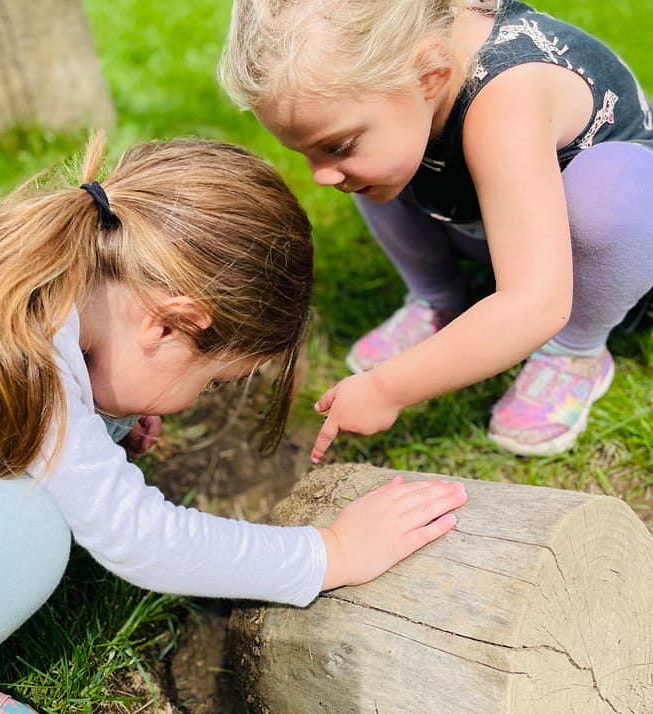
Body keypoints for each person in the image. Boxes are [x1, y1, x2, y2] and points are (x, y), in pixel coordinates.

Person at [0, 134, 467, 714]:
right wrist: (332, 554)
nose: (196, 399)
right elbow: (146, 541)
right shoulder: (38, 369)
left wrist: (106, 421)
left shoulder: (29, 280)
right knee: (15, 534)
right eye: (213, 381)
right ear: (169, 326)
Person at [218, 0, 653, 461]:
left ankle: (574, 351)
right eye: (306, 154)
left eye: (337, 145)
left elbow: (537, 303)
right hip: (497, 218)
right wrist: (349, 155)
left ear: (430, 74)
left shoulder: (507, 98)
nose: (320, 176)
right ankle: (440, 299)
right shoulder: (403, 82)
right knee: (373, 167)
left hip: (606, 255)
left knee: (611, 190)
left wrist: (387, 389)